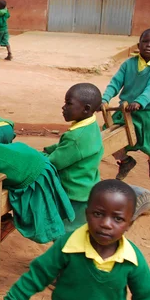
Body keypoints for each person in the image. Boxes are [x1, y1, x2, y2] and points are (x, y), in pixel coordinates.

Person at [0, 179, 150, 300]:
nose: (106, 223)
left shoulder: (132, 260)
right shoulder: (67, 246)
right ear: (87, 214)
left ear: (129, 224)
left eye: (117, 218)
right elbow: (37, 275)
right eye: (98, 214)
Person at [101, 28, 150, 183]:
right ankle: (125, 161)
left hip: (146, 111)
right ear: (139, 44)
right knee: (108, 134)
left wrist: (139, 102)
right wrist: (105, 99)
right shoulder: (129, 64)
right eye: (145, 41)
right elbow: (115, 82)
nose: (148, 45)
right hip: (126, 110)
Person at [0, 140, 74, 244]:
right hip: (33, 160)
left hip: (35, 173)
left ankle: (63, 250)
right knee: (51, 214)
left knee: (47, 222)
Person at [44, 83, 103, 232]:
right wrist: (48, 149)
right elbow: (63, 148)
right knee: (78, 228)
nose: (63, 107)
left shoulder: (76, 138)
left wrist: (37, 157)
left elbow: (55, 162)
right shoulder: (89, 126)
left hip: (73, 192)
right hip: (86, 186)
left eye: (69, 104)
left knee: (67, 231)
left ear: (86, 109)